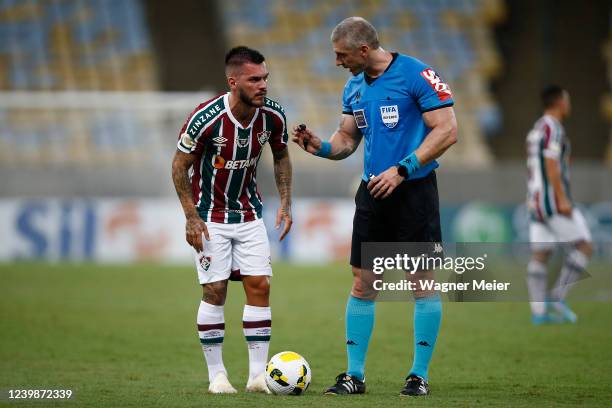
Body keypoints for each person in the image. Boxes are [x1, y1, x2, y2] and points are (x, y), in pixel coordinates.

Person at [292, 17, 457, 397]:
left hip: (414, 191)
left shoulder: (418, 74)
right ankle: (354, 376)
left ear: (363, 50)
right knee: (364, 285)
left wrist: (403, 170)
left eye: (341, 54)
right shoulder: (353, 87)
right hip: (372, 194)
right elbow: (348, 139)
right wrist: (322, 147)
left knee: (422, 284)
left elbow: (447, 129)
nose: (337, 62)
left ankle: (418, 375)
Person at [171, 46, 292, 394]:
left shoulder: (273, 116)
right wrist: (191, 217)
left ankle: (257, 377)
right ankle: (217, 377)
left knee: (260, 286)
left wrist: (285, 202)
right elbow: (180, 165)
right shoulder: (206, 117)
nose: (263, 85)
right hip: (210, 217)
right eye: (255, 79)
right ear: (233, 81)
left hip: (250, 213)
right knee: (215, 290)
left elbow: (282, 156)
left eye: (265, 78)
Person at [526, 85, 592, 325]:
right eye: (567, 99)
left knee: (540, 254)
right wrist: (562, 198)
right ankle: (557, 297)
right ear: (559, 102)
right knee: (584, 246)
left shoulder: (536, 129)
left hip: (535, 202)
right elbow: (551, 164)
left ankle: (538, 313)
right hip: (552, 201)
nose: (569, 104)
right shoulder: (552, 127)